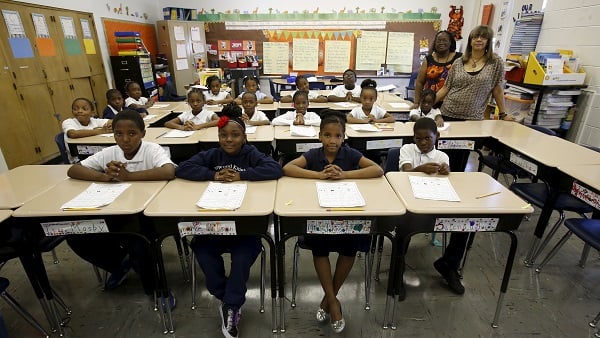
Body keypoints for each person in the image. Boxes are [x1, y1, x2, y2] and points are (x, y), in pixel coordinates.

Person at [175, 103, 282, 338]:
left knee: (243, 256)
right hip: (212, 225)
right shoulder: (212, 155)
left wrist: (242, 175)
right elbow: (183, 168)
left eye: (235, 135)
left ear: (244, 137)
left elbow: (274, 169)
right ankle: (227, 299)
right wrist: (212, 174)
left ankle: (231, 305)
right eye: (223, 135)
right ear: (218, 136)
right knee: (202, 252)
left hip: (244, 228)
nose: (229, 140)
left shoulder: (250, 154)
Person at [282, 110, 383, 333]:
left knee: (349, 249)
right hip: (320, 214)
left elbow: (377, 169)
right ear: (320, 136)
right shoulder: (314, 154)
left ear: (344, 137)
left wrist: (345, 174)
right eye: (327, 135)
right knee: (320, 249)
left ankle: (329, 299)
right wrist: (318, 175)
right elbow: (288, 168)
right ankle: (334, 302)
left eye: (337, 136)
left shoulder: (350, 154)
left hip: (347, 212)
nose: (332, 140)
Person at [66, 110, 175, 306]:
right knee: (75, 235)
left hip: (145, 216)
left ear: (142, 133)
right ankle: (120, 264)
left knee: (138, 244)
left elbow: (169, 171)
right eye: (118, 134)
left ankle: (158, 289)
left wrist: (127, 177)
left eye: (132, 133)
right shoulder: (111, 152)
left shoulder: (152, 150)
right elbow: (73, 169)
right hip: (113, 211)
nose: (125, 139)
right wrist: (104, 177)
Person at [412, 30, 462, 108]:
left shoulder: (459, 58)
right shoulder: (428, 59)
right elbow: (420, 82)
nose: (441, 42)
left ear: (450, 42)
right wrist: (416, 102)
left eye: (444, 40)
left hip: (452, 104)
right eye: (439, 40)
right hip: (429, 103)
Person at [62, 97, 112, 163]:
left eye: (84, 109)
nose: (79, 111)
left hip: (96, 155)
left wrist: (110, 126)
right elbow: (73, 134)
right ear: (72, 112)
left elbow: (113, 121)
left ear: (92, 113)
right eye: (75, 109)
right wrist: (101, 131)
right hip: (79, 159)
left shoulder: (94, 121)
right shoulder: (69, 122)